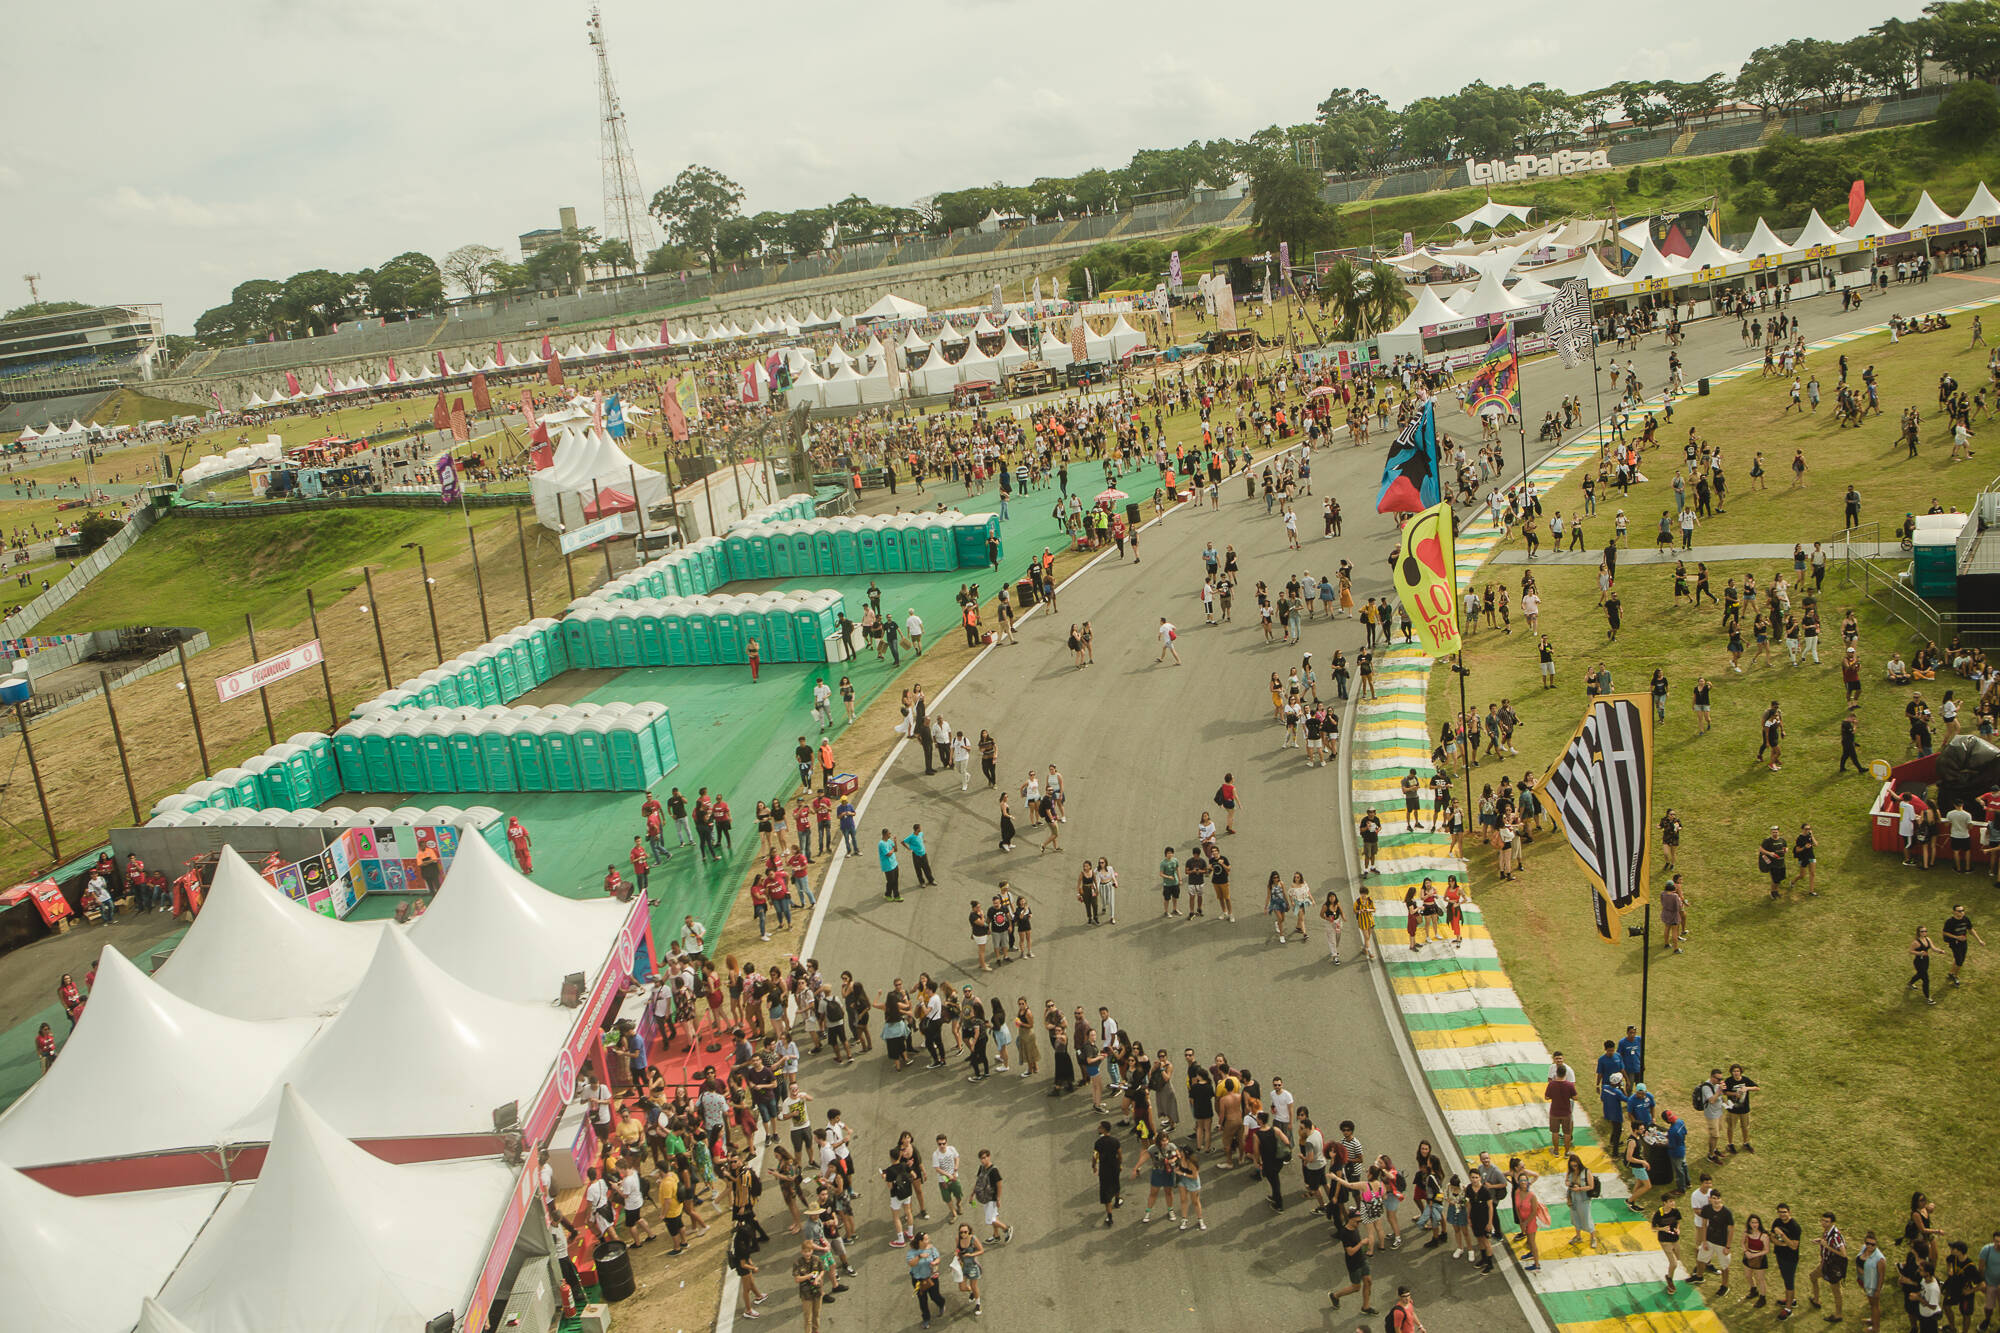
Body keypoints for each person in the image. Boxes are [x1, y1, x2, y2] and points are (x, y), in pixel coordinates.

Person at [1092, 1119, 1123, 1226]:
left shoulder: (1098, 1143)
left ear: (1104, 1129)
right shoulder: (1115, 1141)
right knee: (1116, 1184)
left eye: (1100, 1127)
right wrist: (1120, 1164)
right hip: (1114, 1167)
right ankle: (1118, 1200)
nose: (1098, 1128)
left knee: (1106, 1193)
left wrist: (1094, 1166)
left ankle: (1109, 1217)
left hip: (1104, 1170)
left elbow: (1095, 1156)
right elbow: (1119, 1154)